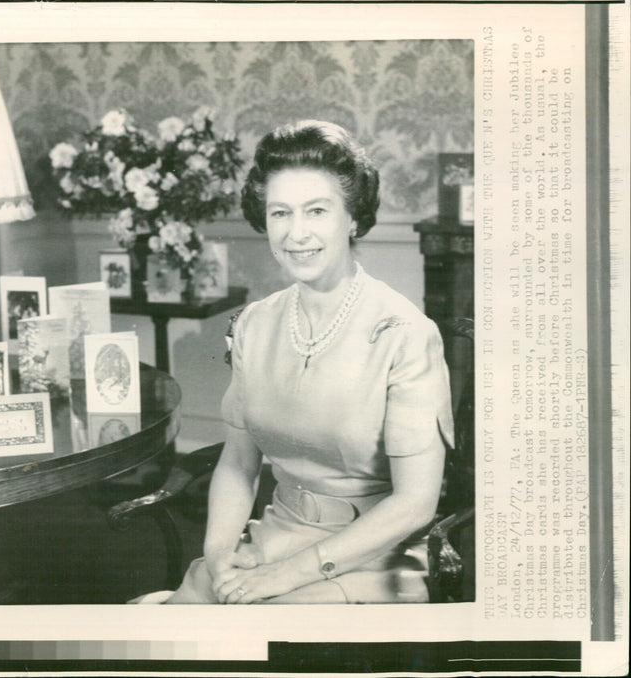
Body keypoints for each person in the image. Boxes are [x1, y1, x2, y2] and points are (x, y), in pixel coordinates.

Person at [162, 120, 454, 604]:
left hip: (374, 556)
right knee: (174, 634)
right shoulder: (255, 324)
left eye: (317, 211)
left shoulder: (405, 334)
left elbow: (415, 503)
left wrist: (286, 576)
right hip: (276, 536)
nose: (297, 234)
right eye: (281, 213)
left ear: (353, 217)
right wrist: (219, 555)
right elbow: (237, 462)